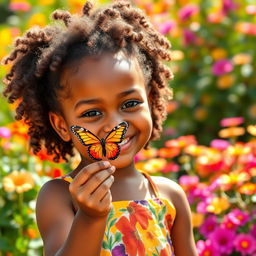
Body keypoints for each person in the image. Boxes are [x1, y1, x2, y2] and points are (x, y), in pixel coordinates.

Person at [2, 1, 198, 255]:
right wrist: (90, 217)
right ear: (62, 125)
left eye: (130, 103)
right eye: (92, 113)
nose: (115, 124)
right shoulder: (60, 196)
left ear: (150, 101)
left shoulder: (169, 196)